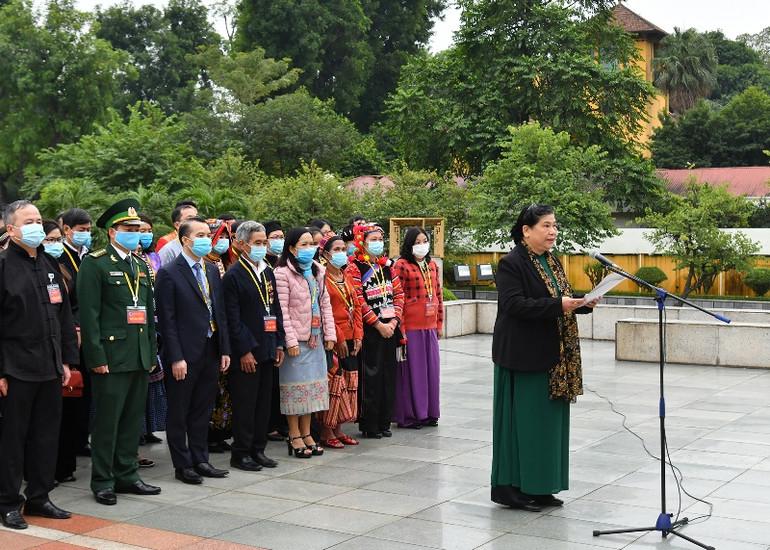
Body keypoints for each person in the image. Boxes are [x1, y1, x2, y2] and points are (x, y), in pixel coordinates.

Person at [490, 204, 599, 512]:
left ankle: (541, 487)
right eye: (546, 226)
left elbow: (558, 300)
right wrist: (559, 305)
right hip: (523, 355)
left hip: (554, 356)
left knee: (548, 426)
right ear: (526, 231)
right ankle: (512, 489)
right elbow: (515, 305)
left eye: (554, 225)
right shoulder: (512, 263)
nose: (553, 231)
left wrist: (583, 303)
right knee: (525, 424)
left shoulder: (551, 260)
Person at [0, 201, 79, 529]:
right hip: (15, 368)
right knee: (12, 438)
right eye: (28, 222)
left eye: (38, 221)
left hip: (49, 365)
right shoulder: (3, 265)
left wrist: (67, 360)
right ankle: (7, 502)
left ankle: (39, 497)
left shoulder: (48, 263)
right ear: (10, 229)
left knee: (46, 435)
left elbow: (64, 316)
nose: (36, 227)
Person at [78, 198, 161, 506]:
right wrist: (96, 357)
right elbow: (89, 316)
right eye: (128, 229)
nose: (135, 233)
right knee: (108, 422)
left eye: (137, 229)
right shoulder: (96, 263)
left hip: (138, 354)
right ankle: (102, 480)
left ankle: (127, 474)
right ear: (112, 232)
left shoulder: (140, 264)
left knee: (131, 420)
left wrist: (150, 353)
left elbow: (148, 314)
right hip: (111, 357)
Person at [155, 217, 232, 485]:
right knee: (179, 410)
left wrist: (224, 349)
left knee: (202, 408)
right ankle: (183, 464)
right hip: (184, 354)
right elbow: (167, 320)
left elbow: (219, 312)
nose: (206, 239)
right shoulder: (169, 272)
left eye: (208, 235)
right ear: (185, 240)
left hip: (211, 348)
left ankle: (201, 459)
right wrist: (176, 357)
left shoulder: (210, 269)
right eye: (200, 235)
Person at [223, 221, 286, 471]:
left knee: (263, 403)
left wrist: (279, 343)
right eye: (257, 243)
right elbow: (232, 318)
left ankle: (258, 449)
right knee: (246, 404)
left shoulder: (267, 271)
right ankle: (241, 452)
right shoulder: (233, 275)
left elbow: (276, 309)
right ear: (241, 244)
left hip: (268, 345)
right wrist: (245, 350)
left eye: (264, 242)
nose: (262, 247)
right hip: (247, 350)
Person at [274, 227, 336, 458]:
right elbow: (282, 310)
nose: (310, 248)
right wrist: (289, 340)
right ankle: (294, 435)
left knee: (312, 389)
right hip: (296, 342)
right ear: (292, 248)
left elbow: (324, 304)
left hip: (315, 338)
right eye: (304, 244)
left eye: (312, 244)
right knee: (294, 390)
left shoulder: (317, 270)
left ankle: (307, 432)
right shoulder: (282, 273)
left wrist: (329, 335)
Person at [348, 223, 404, 439]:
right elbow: (358, 299)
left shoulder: (387, 267)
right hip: (371, 330)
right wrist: (378, 324)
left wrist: (394, 322)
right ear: (362, 242)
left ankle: (384, 422)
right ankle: (370, 424)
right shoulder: (355, 268)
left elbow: (399, 295)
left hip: (390, 328)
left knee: (389, 375)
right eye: (373, 240)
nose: (378, 243)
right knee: (371, 376)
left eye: (380, 239)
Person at [392, 227, 444, 429]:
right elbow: (398, 298)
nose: (422, 245)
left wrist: (439, 323)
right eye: (417, 242)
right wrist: (401, 328)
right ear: (409, 245)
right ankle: (412, 415)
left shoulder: (432, 265)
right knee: (414, 373)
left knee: (431, 372)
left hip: (429, 326)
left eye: (424, 241)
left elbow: (438, 295)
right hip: (411, 328)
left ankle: (430, 413)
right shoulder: (401, 265)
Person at [43, 220, 82, 484]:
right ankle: (43, 470)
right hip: (42, 348)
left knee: (68, 411)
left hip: (67, 345)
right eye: (50, 240)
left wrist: (76, 329)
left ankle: (64, 466)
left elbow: (73, 306)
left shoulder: (63, 269)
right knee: (45, 417)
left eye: (58, 240)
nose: (55, 244)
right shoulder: (29, 269)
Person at [318, 234, 362, 448]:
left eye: (343, 249)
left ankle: (339, 427)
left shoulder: (347, 276)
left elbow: (357, 306)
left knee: (349, 382)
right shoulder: (322, 278)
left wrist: (359, 334)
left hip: (352, 336)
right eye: (336, 249)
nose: (341, 253)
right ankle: (326, 431)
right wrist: (339, 337)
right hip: (334, 339)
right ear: (325, 254)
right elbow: (325, 311)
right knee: (334, 384)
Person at [204, 219, 234, 454]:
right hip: (208, 333)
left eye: (226, 237)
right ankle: (208, 436)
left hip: (226, 330)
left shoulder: (226, 262)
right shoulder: (204, 264)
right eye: (218, 237)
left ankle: (221, 433)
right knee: (210, 389)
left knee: (224, 387)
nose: (222, 242)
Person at [135, 214, 165, 451]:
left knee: (152, 384)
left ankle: (148, 428)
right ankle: (136, 433)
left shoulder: (154, 258)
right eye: (140, 230)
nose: (144, 235)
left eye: (148, 230)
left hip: (155, 323)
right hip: (135, 326)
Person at [157, 201, 198, 266]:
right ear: (177, 225)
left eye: (196, 218)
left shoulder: (201, 245)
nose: (195, 221)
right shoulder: (168, 250)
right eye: (189, 219)